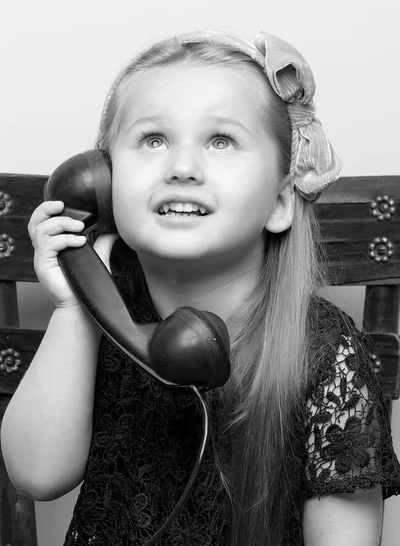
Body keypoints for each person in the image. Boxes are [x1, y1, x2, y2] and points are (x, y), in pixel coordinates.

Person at [1, 30, 400, 546]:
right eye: (153, 140)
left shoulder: (326, 353)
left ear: (280, 202)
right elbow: (36, 474)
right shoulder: (99, 311)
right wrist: (75, 306)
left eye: (221, 141)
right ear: (100, 183)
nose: (182, 168)